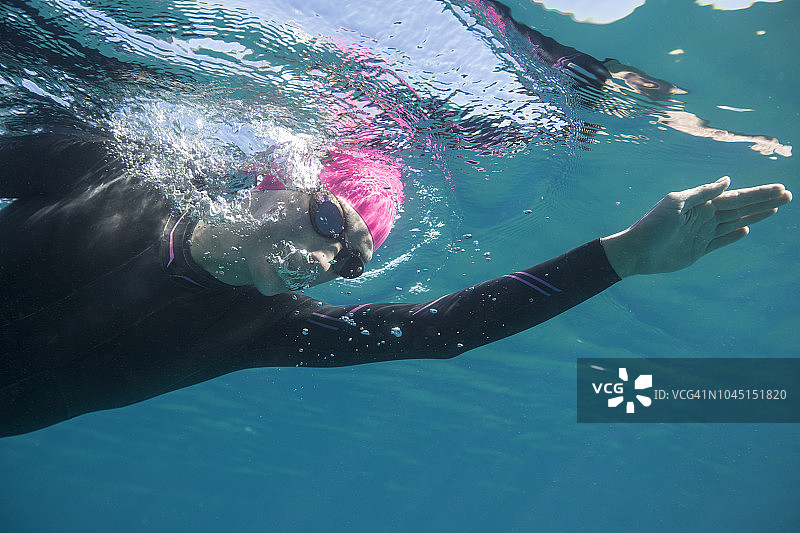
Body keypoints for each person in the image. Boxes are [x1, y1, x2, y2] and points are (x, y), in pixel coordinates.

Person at [0, 127, 791, 438]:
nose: (328, 259)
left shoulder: (266, 327)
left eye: (351, 261)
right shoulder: (110, 174)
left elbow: (441, 331)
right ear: (276, 187)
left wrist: (621, 256)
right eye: (330, 223)